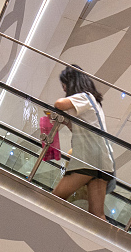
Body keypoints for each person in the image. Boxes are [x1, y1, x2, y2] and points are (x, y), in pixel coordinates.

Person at [50, 66, 116, 219]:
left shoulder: (84, 97)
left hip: (89, 160)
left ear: (71, 82)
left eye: (64, 85)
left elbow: (59, 104)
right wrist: (68, 123)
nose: (64, 89)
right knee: (97, 214)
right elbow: (84, 131)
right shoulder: (93, 101)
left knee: (54, 199)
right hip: (103, 162)